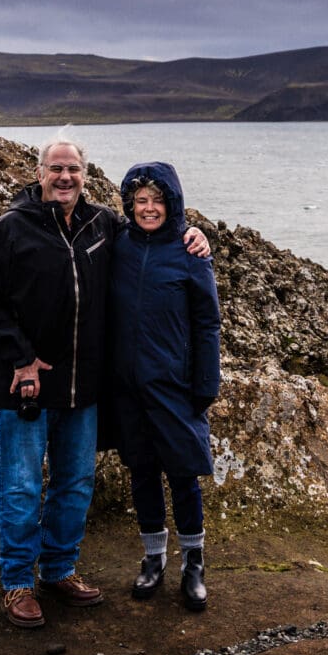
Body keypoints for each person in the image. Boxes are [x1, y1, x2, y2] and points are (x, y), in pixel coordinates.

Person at [0, 134, 208, 630]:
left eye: (72, 169)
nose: (64, 177)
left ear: (84, 174)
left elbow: (153, 232)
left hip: (83, 384)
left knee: (75, 484)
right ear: (39, 173)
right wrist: (21, 357)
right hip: (24, 383)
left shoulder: (104, 225)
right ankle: (17, 584)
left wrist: (198, 234)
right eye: (55, 168)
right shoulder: (9, 229)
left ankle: (58, 570)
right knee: (21, 487)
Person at [105, 161, 222, 613]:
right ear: (129, 205)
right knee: (141, 471)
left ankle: (193, 564)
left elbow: (207, 323)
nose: (148, 208)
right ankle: (153, 559)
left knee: (182, 473)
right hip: (128, 387)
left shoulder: (190, 253)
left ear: (172, 204)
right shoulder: (118, 244)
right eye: (140, 201)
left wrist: (205, 384)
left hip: (175, 384)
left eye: (157, 200)